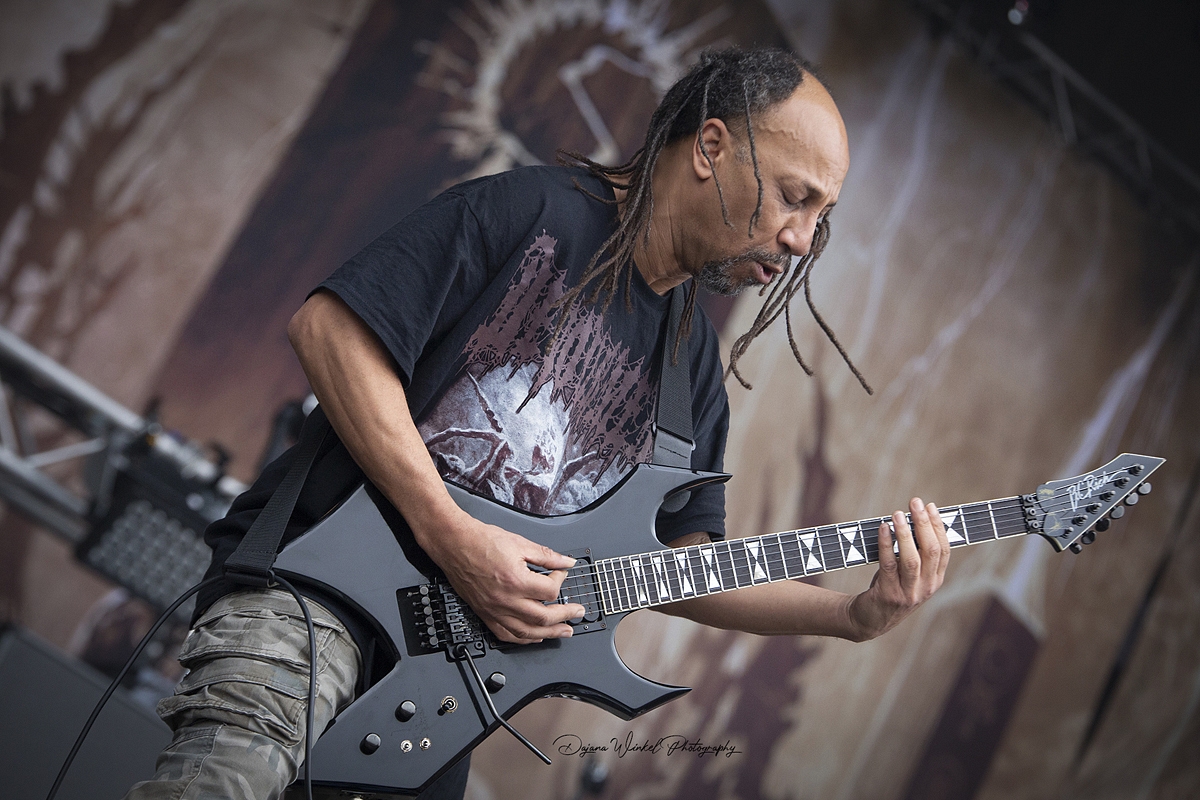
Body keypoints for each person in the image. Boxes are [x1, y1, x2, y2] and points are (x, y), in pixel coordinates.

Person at [125, 47, 949, 800]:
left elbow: (682, 564)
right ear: (711, 148)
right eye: (796, 198)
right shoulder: (531, 212)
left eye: (821, 216)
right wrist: (450, 533)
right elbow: (330, 332)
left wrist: (850, 617)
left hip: (441, 686)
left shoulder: (690, 368)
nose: (802, 239)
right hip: (315, 597)